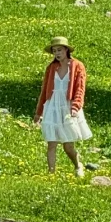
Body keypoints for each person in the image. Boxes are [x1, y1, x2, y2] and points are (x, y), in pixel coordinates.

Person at [35, 36, 91, 176]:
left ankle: (78, 165)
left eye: (59, 50)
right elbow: (44, 90)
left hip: (68, 105)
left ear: (66, 50)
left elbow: (80, 88)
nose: (57, 53)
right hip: (52, 105)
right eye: (54, 51)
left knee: (68, 145)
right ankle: (51, 174)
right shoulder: (51, 67)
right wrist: (39, 112)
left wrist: (76, 106)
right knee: (51, 142)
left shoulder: (77, 66)